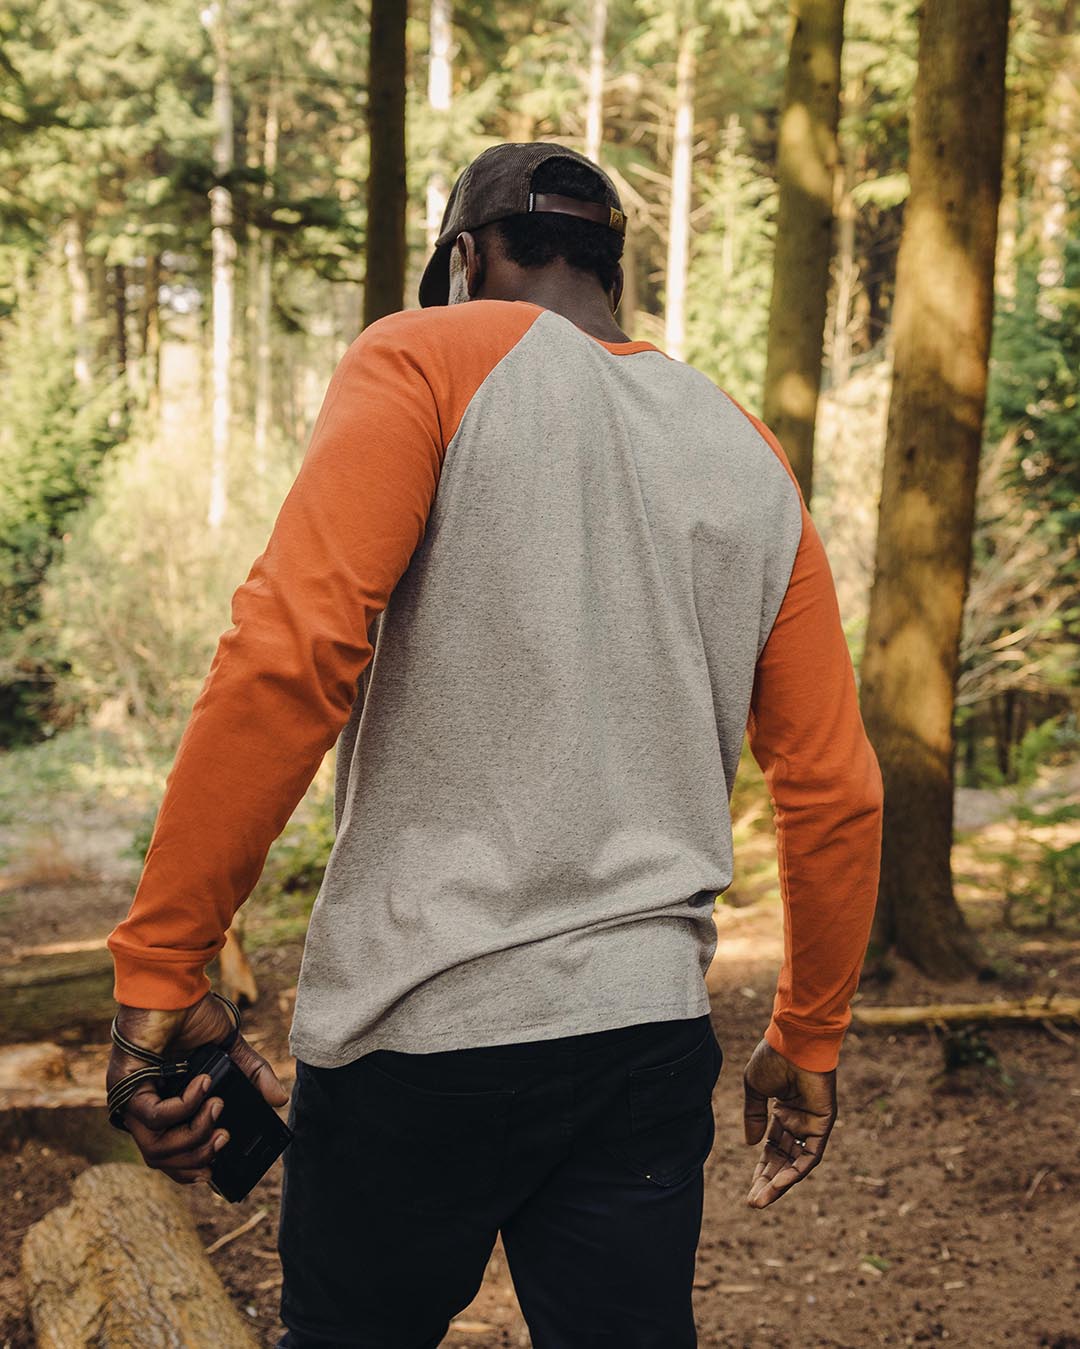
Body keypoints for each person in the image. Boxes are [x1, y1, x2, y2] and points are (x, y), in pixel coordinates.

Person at [104, 141, 884, 1347]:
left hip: (419, 1025)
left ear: (464, 259)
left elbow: (288, 658)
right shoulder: (745, 451)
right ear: (610, 273)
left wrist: (164, 960)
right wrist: (808, 1034)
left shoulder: (424, 355)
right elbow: (834, 786)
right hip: (644, 1035)